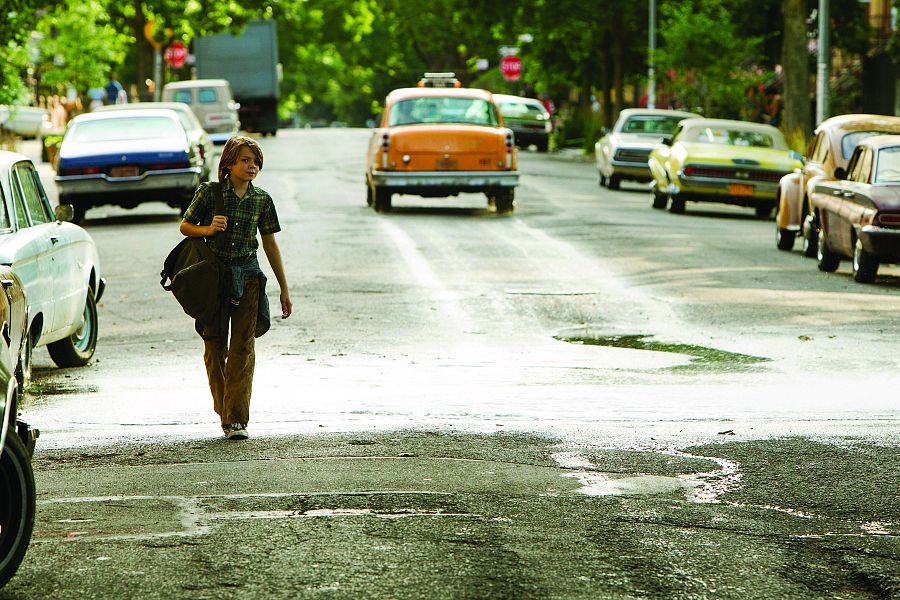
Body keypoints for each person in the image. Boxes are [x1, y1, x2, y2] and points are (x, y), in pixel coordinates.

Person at [179, 136, 293, 440]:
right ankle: (224, 408)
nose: (251, 166)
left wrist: (284, 287)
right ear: (229, 163)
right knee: (214, 346)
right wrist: (208, 229)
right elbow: (185, 226)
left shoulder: (262, 200)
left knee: (243, 349)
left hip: (249, 277)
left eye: (256, 162)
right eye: (245, 160)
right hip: (213, 281)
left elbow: (269, 243)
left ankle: (236, 420)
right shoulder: (210, 193)